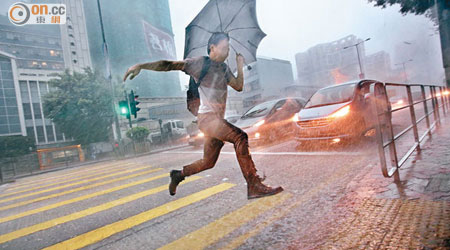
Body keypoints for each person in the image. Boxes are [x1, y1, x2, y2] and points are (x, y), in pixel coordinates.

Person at [123, 32, 283, 199]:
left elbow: (238, 86)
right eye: (224, 48)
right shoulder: (200, 63)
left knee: (208, 162)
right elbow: (169, 64)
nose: (227, 52)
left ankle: (178, 175)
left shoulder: (223, 68)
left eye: (228, 48)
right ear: (212, 48)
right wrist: (141, 66)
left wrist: (240, 65)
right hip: (207, 119)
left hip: (216, 121)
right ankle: (254, 184)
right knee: (240, 137)